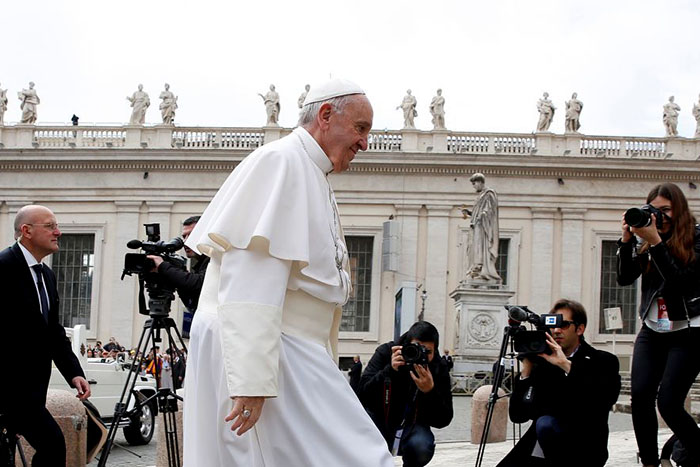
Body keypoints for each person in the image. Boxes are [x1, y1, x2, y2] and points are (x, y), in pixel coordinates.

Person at [182, 78, 393, 466]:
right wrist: (250, 379)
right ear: (326, 115)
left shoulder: (310, 170)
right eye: (361, 129)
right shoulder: (281, 162)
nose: (365, 143)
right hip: (268, 347)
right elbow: (251, 274)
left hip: (287, 347)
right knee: (360, 457)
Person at [0, 205, 91, 466]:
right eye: (50, 226)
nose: (58, 232)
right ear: (26, 231)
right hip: (9, 389)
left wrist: (74, 373)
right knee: (52, 445)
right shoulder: (3, 267)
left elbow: (53, 332)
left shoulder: (46, 275)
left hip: (31, 390)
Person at [617, 182, 700, 467]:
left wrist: (656, 243)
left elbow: (681, 282)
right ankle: (650, 464)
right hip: (653, 328)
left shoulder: (697, 238)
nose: (659, 216)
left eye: (665, 210)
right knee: (639, 396)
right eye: (654, 210)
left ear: (679, 211)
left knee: (668, 403)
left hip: (689, 330)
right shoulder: (647, 242)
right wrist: (627, 241)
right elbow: (624, 278)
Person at [497, 299, 620, 467]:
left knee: (546, 424)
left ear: (580, 328)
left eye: (564, 325)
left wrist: (566, 365)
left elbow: (603, 401)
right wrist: (526, 370)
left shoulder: (603, 361)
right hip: (541, 445)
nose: (556, 330)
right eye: (552, 325)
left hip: (584, 448)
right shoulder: (543, 363)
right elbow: (518, 416)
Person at [359, 321, 453, 467]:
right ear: (405, 345)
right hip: (379, 419)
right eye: (414, 348)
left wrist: (430, 391)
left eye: (427, 351)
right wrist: (389, 371)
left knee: (421, 446)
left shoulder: (438, 367)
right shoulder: (386, 352)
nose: (420, 355)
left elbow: (444, 419)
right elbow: (362, 395)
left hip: (413, 425)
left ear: (435, 351)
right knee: (362, 444)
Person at [147, 215, 209, 337]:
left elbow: (199, 284)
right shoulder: (201, 263)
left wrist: (163, 267)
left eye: (190, 235)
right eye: (184, 236)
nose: (185, 241)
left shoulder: (216, 259)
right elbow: (192, 299)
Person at [462, 173, 501, 283]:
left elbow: (489, 210)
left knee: (481, 247)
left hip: (483, 227)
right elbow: (478, 212)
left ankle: (480, 268)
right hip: (477, 226)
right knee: (474, 247)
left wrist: (481, 216)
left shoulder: (489, 194)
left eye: (474, 184)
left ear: (480, 182)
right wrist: (470, 213)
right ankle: (476, 269)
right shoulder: (480, 196)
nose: (474, 186)